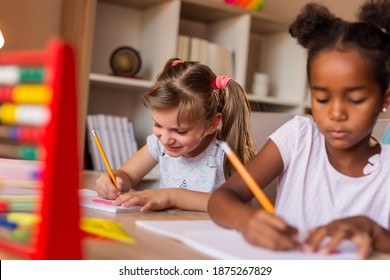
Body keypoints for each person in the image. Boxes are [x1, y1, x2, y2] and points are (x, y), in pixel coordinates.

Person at [208, 0, 390, 259]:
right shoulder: (299, 138)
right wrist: (245, 220)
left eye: (355, 99)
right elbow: (222, 198)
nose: (336, 114)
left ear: (385, 99)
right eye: (322, 99)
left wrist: (373, 232)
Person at [95, 58, 257, 212]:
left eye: (180, 131)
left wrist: (173, 196)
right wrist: (113, 180)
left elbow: (238, 202)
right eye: (158, 125)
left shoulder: (226, 152)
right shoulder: (159, 144)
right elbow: (128, 174)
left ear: (211, 124)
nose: (165, 139)